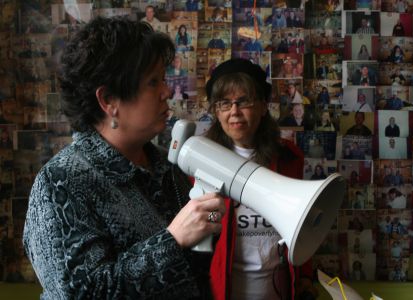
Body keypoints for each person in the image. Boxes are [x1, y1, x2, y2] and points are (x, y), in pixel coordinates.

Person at [23, 17, 226, 299]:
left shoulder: (167, 170)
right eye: (153, 82)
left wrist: (206, 227)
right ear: (108, 101)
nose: (167, 92)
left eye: (163, 80)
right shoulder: (60, 182)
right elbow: (80, 292)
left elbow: (193, 275)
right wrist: (172, 240)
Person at [204, 58, 314, 299]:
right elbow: (202, 228)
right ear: (216, 111)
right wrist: (215, 212)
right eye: (224, 103)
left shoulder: (289, 158)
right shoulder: (203, 162)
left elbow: (303, 224)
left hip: (279, 288)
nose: (234, 112)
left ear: (263, 106)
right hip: (224, 290)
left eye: (243, 101)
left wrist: (305, 276)